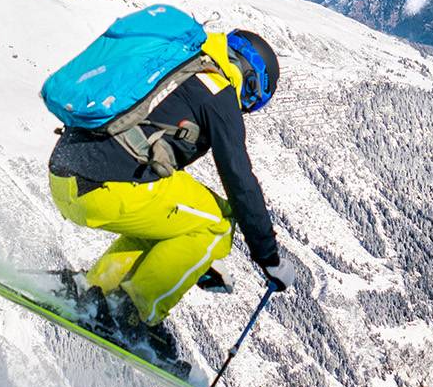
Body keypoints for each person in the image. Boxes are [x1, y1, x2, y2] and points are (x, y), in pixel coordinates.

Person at [46, 26, 294, 367]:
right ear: (251, 80)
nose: (247, 107)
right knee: (219, 223)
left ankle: (97, 290)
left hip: (66, 178)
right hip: (105, 188)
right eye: (254, 98)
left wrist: (195, 263)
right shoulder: (218, 90)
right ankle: (132, 313)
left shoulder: (182, 63)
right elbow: (240, 181)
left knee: (170, 211)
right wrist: (269, 258)